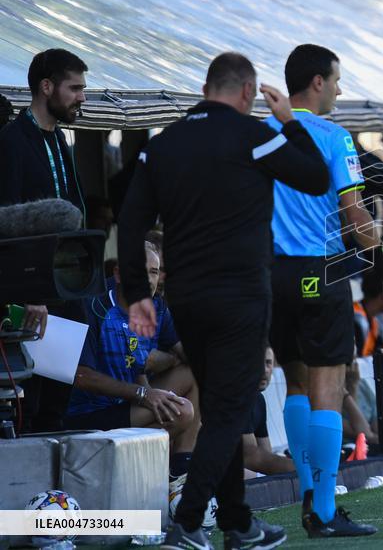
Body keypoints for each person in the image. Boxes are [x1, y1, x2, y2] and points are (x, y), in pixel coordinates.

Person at [118, 52, 331, 550]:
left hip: (187, 298)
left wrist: (137, 294)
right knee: (231, 411)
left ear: (205, 89)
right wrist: (289, 122)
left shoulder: (162, 145)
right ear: (247, 93)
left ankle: (237, 522)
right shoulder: (253, 135)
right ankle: (189, 523)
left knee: (219, 408)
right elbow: (316, 178)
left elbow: (130, 223)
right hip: (239, 295)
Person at [267, 44, 383, 538]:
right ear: (317, 82)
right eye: (337, 81)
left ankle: (308, 493)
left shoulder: (261, 132)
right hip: (319, 271)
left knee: (296, 384)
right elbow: (355, 214)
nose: (341, 91)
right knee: (328, 388)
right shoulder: (333, 136)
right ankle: (323, 510)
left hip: (271, 274)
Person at [66, 242, 198, 481]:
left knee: (196, 374)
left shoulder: (156, 307)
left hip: (128, 403)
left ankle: (180, 468)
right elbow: (81, 376)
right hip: (88, 415)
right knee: (183, 412)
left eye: (153, 272)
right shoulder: (93, 305)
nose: (148, 279)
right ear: (118, 274)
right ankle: (120, 465)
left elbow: (187, 353)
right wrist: (143, 395)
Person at [0, 49, 88, 345]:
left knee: (71, 375)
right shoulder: (11, 141)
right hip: (32, 300)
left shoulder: (59, 138)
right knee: (36, 377)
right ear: (46, 86)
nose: (82, 97)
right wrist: (30, 294)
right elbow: (7, 224)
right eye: (75, 88)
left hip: (66, 284)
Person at [243, 347, 295, 478]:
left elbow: (266, 452)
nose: (264, 370)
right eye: (258, 362)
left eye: (268, 363)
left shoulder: (259, 400)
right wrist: (303, 470)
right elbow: (251, 457)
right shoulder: (237, 398)